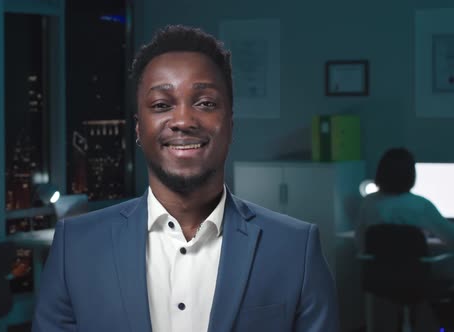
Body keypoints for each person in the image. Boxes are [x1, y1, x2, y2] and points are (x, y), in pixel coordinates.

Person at [32, 25, 339, 332]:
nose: (182, 121)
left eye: (205, 103)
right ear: (138, 129)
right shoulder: (75, 247)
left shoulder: (296, 248)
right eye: (161, 105)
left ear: (230, 124)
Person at [355, 147, 454, 251]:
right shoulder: (421, 205)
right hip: (413, 266)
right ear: (411, 175)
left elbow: (360, 242)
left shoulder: (369, 202)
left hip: (376, 266)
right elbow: (450, 237)